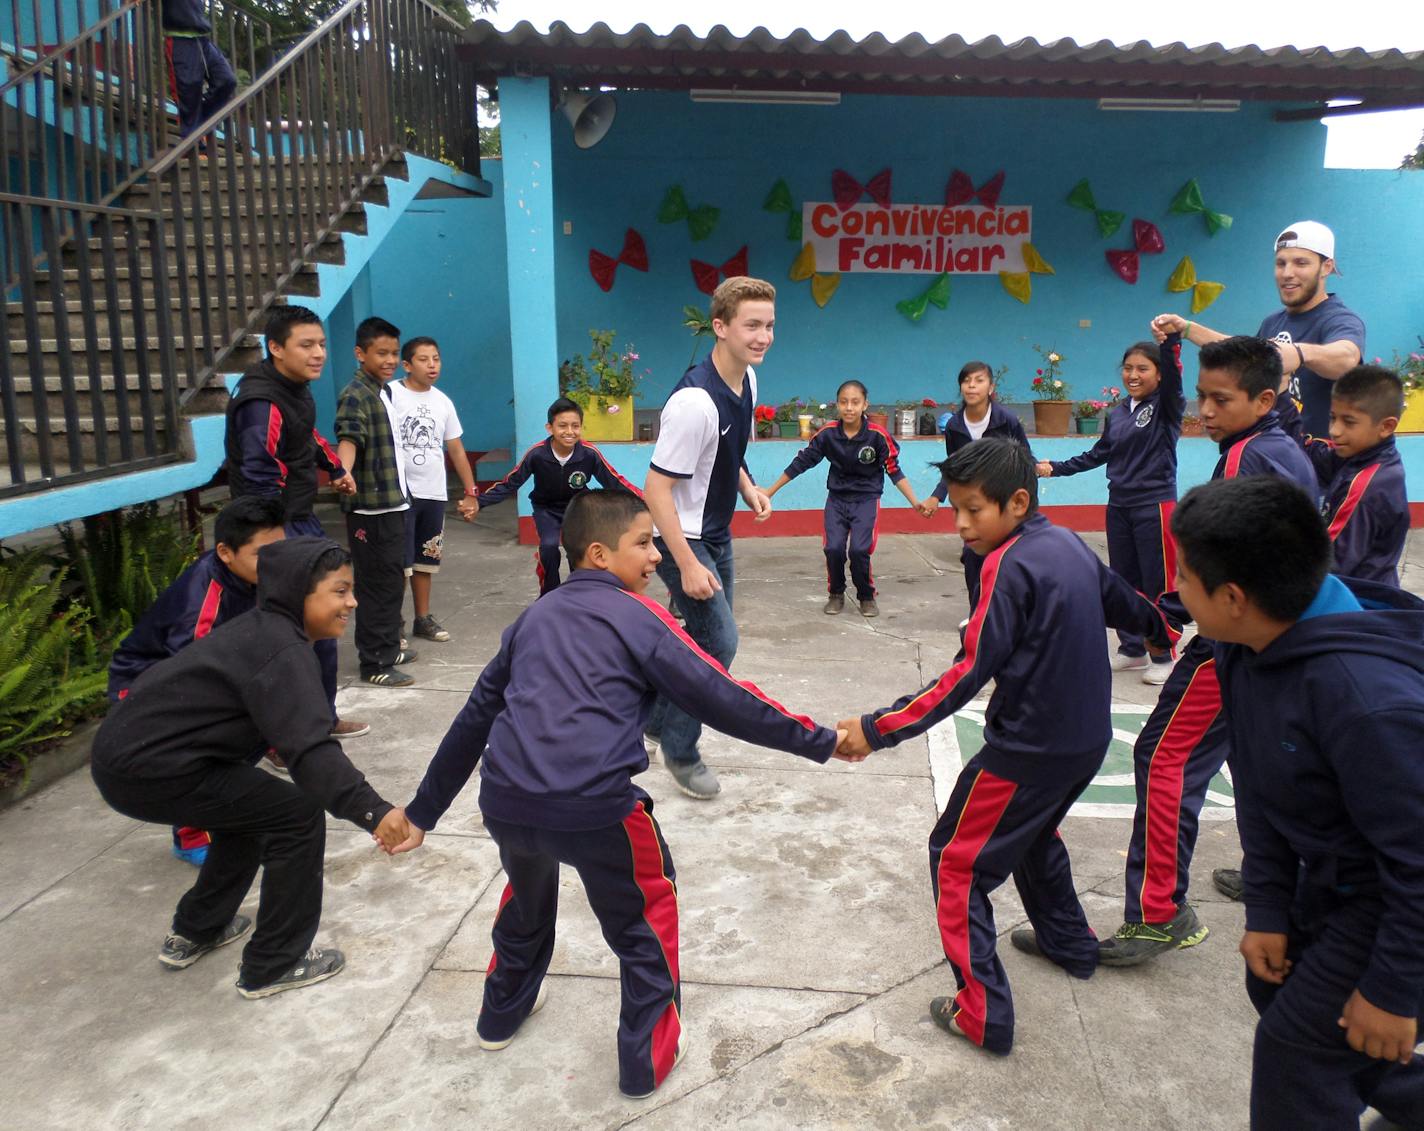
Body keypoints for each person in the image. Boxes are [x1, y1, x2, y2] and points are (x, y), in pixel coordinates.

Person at [383, 491, 847, 1099]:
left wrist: (422, 813)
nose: (656, 555)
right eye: (644, 543)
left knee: (525, 899)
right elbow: (720, 693)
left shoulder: (533, 618)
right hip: (597, 808)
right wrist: (821, 739)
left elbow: (475, 719)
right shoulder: (637, 615)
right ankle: (645, 1061)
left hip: (506, 803)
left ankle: (500, 1015)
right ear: (599, 554)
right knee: (643, 922)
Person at [834, 439, 1179, 1056]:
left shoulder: (1006, 564)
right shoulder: (1067, 543)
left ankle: (982, 1012)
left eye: (973, 510)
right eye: (956, 509)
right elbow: (1125, 602)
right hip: (1083, 742)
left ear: (1018, 502)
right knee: (1033, 834)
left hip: (1025, 750)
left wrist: (878, 727)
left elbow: (966, 672)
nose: (961, 524)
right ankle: (1069, 943)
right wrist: (1163, 629)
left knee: (956, 862)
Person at [1168, 476, 1424, 1130]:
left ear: (1232, 597)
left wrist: (1395, 991)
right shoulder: (1245, 645)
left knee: (1296, 1051)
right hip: (1341, 878)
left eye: (1185, 578)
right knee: (1275, 984)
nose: (1177, 592)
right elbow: (1257, 781)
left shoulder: (1366, 702)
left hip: (1395, 897)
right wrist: (1268, 905)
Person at [90, 537, 408, 998]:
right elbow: (311, 752)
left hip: (130, 760)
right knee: (296, 815)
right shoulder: (280, 648)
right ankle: (272, 964)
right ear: (301, 591)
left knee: (251, 812)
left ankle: (197, 930)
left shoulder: (267, 631)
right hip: (150, 768)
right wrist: (374, 812)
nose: (352, 602)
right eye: (340, 591)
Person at [1098, 335, 1320, 967]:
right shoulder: (1275, 447)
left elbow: (1226, 567)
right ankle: (1274, 875)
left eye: (1221, 399)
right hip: (1270, 634)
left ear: (1265, 398)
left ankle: (1158, 913)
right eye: (1200, 396)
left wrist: (1161, 618)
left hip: (1237, 637)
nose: (1206, 410)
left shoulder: (1251, 458)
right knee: (1250, 755)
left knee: (1163, 757)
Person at [642, 276, 775, 801]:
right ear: (719, 327)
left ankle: (653, 718)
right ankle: (680, 749)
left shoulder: (747, 382)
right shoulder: (694, 402)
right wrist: (686, 564)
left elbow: (727, 451)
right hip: (682, 536)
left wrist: (747, 487)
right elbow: (656, 489)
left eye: (768, 326)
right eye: (751, 326)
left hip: (715, 532)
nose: (763, 336)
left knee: (705, 645)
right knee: (720, 643)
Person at [107, 496, 286, 866]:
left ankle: (222, 808)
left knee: (260, 728)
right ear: (225, 552)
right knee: (196, 747)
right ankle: (190, 837)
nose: (274, 563)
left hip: (200, 675)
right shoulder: (203, 598)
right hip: (146, 681)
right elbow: (191, 675)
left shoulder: (258, 576)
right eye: (261, 554)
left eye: (280, 550)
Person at [224, 304, 366, 738]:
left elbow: (307, 436)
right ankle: (281, 738)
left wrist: (335, 469)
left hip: (300, 520)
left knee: (324, 621)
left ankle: (321, 717)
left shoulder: (294, 388)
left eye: (321, 343)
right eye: (306, 345)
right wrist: (277, 543)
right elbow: (257, 472)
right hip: (277, 529)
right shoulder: (260, 401)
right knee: (282, 638)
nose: (319, 353)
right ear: (275, 348)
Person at [1036, 330, 1185, 685]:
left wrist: (1170, 343)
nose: (1133, 375)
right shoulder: (1118, 414)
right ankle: (1132, 648)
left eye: (1143, 368)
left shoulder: (1165, 406)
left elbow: (1176, 379)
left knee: (1158, 580)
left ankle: (1163, 652)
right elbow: (1100, 454)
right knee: (1123, 579)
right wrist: (1056, 467)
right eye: (1128, 368)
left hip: (1155, 504)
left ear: (1160, 373)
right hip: (1119, 504)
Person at [1154, 221, 1365, 437]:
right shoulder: (1272, 322)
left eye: (1301, 263)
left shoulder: (1339, 319)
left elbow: (1347, 358)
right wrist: (1187, 329)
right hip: (1274, 454)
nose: (1287, 273)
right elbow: (1241, 354)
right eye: (1281, 263)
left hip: (1318, 464)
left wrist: (1300, 353)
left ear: (1326, 267)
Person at [763, 380, 921, 617]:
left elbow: (894, 469)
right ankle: (836, 594)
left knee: (859, 550)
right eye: (844, 402)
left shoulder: (877, 436)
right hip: (837, 499)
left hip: (867, 500)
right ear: (837, 404)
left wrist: (915, 502)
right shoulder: (828, 434)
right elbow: (802, 462)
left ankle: (866, 596)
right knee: (833, 548)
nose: (849, 408)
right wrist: (769, 491)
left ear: (865, 404)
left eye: (855, 402)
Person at [474, 397, 641, 595]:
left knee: (579, 552)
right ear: (550, 428)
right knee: (549, 547)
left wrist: (644, 501)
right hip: (546, 509)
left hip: (577, 510)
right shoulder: (537, 454)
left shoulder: (589, 454)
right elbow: (511, 482)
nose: (569, 432)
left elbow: (614, 480)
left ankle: (579, 594)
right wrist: (479, 502)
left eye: (575, 426)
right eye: (562, 426)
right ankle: (550, 595)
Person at [335, 316, 417, 688]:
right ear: (360, 353)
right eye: (380, 352)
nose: (389, 359)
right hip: (370, 508)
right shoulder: (356, 393)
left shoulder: (383, 391)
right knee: (375, 586)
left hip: (393, 503)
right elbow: (349, 437)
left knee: (390, 581)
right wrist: (344, 472)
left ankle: (388, 646)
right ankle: (375, 663)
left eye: (394, 353)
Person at [916, 361, 1030, 608]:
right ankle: (978, 612)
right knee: (972, 555)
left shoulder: (1007, 421)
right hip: (975, 505)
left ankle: (1012, 611)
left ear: (991, 387)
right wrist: (936, 496)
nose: (972, 386)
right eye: (967, 381)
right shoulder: (955, 426)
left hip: (1004, 502)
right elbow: (953, 467)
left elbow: (1025, 461)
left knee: (1008, 557)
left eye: (979, 380)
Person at [389, 336, 478, 642]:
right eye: (424, 359)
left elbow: (455, 448)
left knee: (426, 558)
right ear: (406, 365)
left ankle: (422, 618)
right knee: (400, 561)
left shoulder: (442, 402)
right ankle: (393, 622)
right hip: (399, 493)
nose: (432, 365)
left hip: (433, 492)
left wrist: (470, 491)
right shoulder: (390, 394)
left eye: (436, 359)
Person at [161, 1, 237, 146]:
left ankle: (202, 120)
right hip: (179, 40)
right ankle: (194, 146)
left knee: (227, 80)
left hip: (202, 39)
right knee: (187, 91)